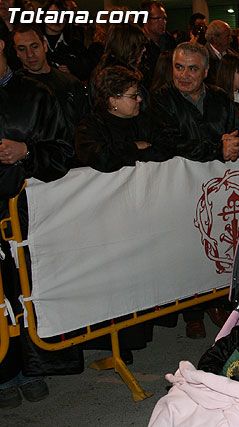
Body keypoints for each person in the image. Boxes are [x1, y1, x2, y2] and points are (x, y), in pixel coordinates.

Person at [0, 20, 78, 409]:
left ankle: (31, 368)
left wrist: (25, 152)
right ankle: (2, 374)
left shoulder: (36, 95)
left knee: (24, 295)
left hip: (24, 219)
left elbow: (64, 154)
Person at [150, 41, 239, 338]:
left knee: (215, 244)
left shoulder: (220, 97)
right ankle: (191, 312)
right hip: (177, 189)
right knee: (184, 247)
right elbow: (168, 141)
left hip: (216, 189)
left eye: (192, 68)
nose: (184, 75)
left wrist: (237, 144)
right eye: (179, 67)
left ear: (206, 71)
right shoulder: (160, 99)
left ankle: (215, 301)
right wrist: (216, 147)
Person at [75, 66, 174, 172]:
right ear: (113, 100)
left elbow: (166, 147)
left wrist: (129, 155)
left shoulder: (143, 120)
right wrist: (135, 146)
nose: (139, 99)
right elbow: (102, 159)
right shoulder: (90, 126)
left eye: (138, 94)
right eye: (133, 96)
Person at [12, 23, 89, 138]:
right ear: (16, 52)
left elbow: (85, 126)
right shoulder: (13, 88)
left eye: (34, 46)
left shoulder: (70, 83)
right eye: (22, 49)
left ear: (45, 45)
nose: (30, 54)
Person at [40, 0, 90, 81]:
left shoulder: (76, 45)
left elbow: (85, 72)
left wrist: (71, 73)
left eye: (62, 15)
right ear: (43, 16)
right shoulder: (34, 42)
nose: (57, 19)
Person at [140, 0, 176, 88]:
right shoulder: (139, 43)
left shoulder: (169, 40)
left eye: (164, 18)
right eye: (158, 18)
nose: (163, 22)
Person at [204, 20, 233, 84]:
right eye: (227, 36)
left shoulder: (232, 55)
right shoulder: (204, 57)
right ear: (215, 38)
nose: (231, 40)